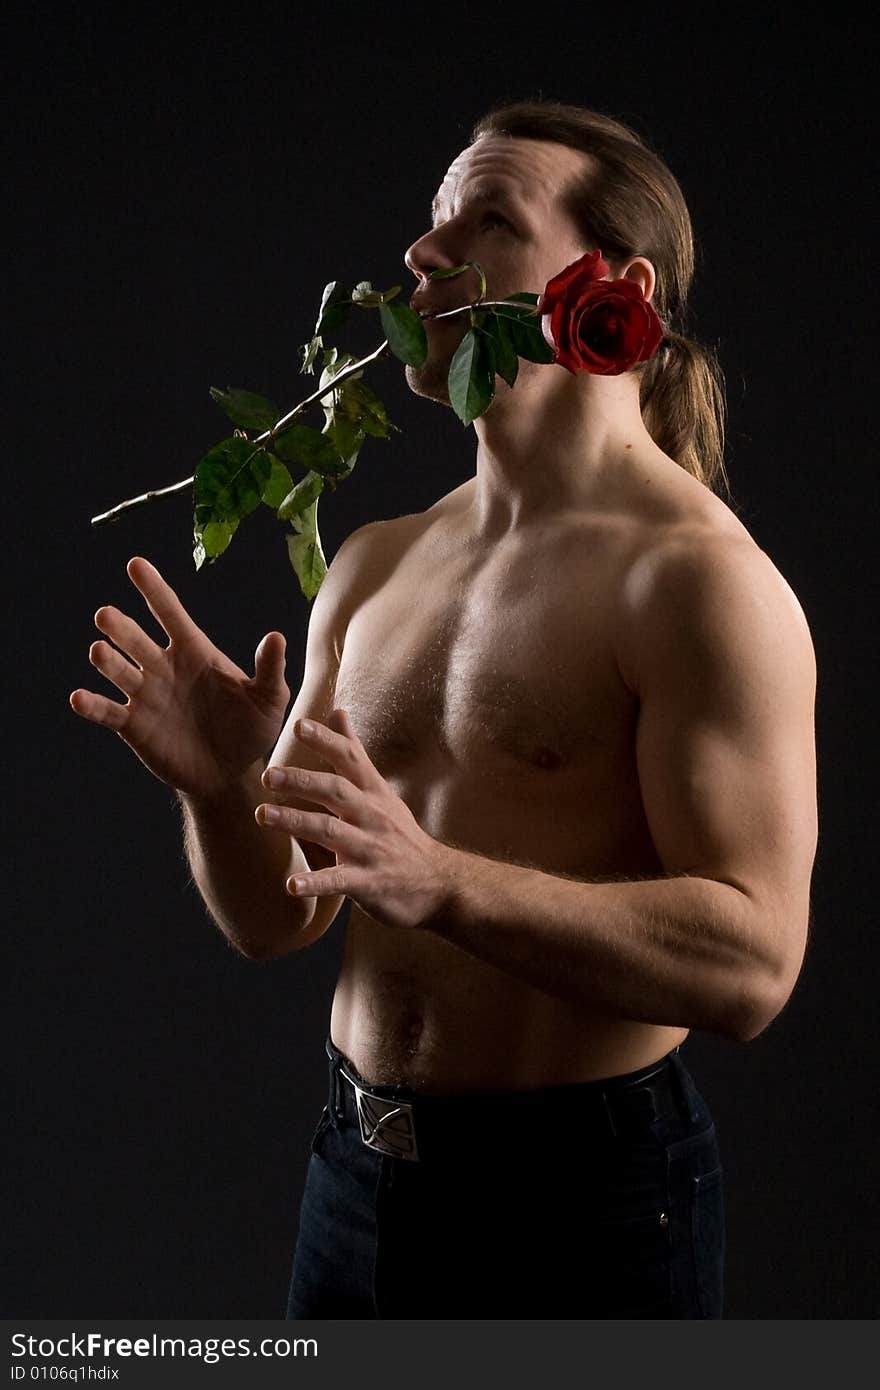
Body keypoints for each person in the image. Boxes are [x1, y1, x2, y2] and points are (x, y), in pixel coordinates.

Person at [69, 100, 818, 1319]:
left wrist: (444, 878)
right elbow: (279, 919)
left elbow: (754, 963)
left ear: (608, 284)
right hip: (354, 1181)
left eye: (486, 219)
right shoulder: (373, 565)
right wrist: (218, 794)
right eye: (428, 225)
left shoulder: (695, 582)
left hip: (581, 1207)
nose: (422, 255)